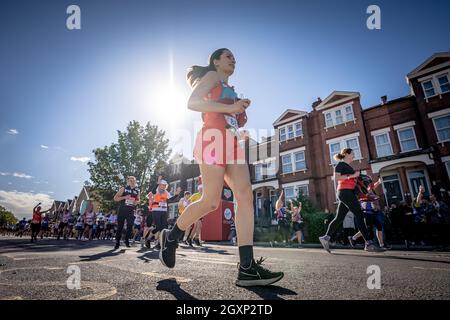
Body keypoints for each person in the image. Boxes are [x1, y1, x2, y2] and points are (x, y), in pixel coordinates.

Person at [158, 48, 283, 287]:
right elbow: (192, 103)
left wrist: (238, 112)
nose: (233, 58)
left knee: (245, 195)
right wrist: (231, 108)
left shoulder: (231, 88)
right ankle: (172, 237)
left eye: (235, 56)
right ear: (215, 62)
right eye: (227, 56)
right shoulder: (213, 77)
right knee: (211, 201)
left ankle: (247, 267)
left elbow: (229, 115)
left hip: (232, 142)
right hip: (213, 139)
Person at [319, 148, 384, 253]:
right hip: (345, 192)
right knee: (359, 215)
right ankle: (368, 243)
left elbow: (358, 182)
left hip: (348, 193)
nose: (354, 156)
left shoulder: (348, 167)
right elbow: (336, 178)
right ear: (346, 154)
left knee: (339, 218)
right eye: (353, 154)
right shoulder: (340, 165)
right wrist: (353, 175)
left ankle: (325, 238)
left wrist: (369, 180)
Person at [148, 176, 180, 249]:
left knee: (164, 228)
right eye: (162, 185)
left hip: (164, 211)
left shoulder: (166, 192)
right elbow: (152, 192)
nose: (164, 186)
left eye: (165, 185)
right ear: (159, 185)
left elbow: (171, 199)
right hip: (156, 210)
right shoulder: (156, 189)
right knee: (158, 227)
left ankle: (159, 243)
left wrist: (177, 194)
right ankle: (149, 238)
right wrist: (157, 183)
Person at [113, 176, 140, 249]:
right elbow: (115, 198)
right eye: (130, 181)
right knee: (120, 227)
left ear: (135, 182)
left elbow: (138, 200)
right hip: (122, 209)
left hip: (130, 210)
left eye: (133, 181)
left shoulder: (137, 190)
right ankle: (117, 242)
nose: (132, 182)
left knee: (130, 226)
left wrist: (136, 202)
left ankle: (126, 240)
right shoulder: (124, 188)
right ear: (128, 181)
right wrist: (124, 197)